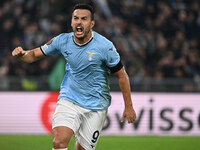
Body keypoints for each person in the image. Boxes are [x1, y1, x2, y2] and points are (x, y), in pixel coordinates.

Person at [12, 3, 136, 150]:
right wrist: (22, 55)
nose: (79, 22)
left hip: (96, 107)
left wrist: (128, 106)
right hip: (69, 99)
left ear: (92, 24)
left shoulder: (105, 47)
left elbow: (122, 75)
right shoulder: (62, 41)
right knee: (58, 142)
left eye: (84, 19)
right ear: (71, 22)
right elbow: (32, 55)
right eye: (76, 18)